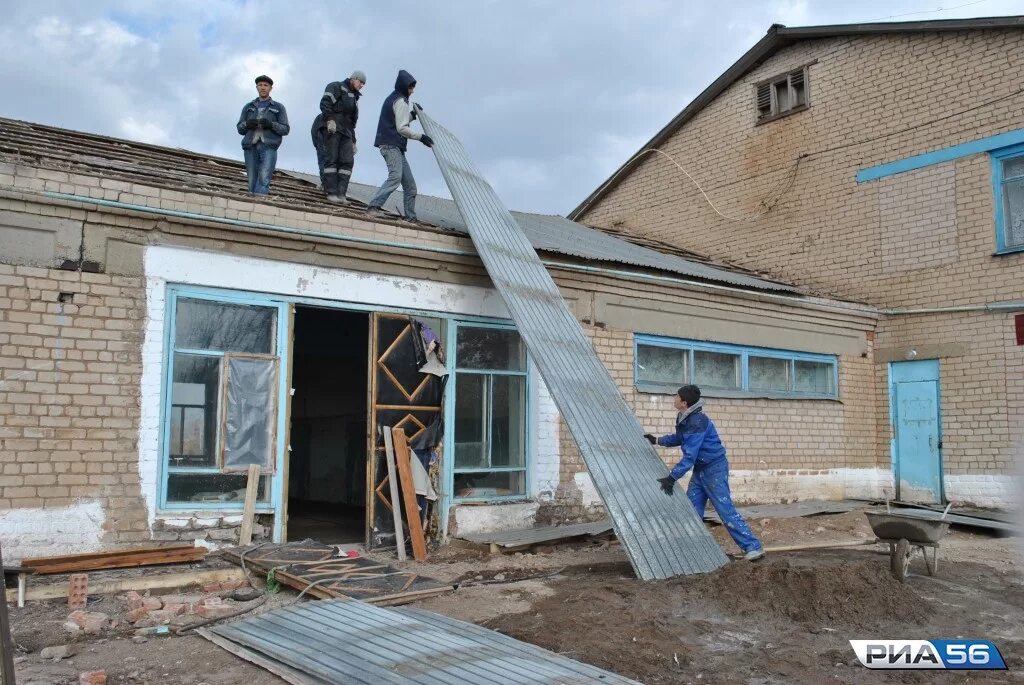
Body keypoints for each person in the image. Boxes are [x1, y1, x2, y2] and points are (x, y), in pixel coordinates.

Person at [644, 384, 765, 561]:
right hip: (701, 469)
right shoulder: (685, 417)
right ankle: (695, 550)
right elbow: (680, 438)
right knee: (692, 509)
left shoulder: (697, 421)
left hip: (714, 468)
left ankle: (753, 547)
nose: (674, 399)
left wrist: (671, 478)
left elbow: (690, 455)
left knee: (724, 509)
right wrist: (657, 440)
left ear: (684, 402)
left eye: (677, 397)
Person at [366, 70, 434, 222]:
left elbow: (398, 120)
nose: (412, 91)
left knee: (410, 186)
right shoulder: (401, 101)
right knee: (395, 177)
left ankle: (411, 217)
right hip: (391, 146)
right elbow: (401, 128)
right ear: (404, 86)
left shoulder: (394, 98)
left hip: (394, 147)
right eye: (411, 87)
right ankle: (374, 207)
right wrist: (421, 137)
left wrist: (412, 116)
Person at [236, 75, 290, 195]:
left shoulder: (278, 107)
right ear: (256, 87)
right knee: (251, 178)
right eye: (260, 85)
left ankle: (260, 203)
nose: (263, 87)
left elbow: (285, 129)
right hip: (250, 146)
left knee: (264, 177)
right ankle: (251, 203)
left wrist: (271, 125)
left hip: (268, 146)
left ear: (271, 88)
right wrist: (247, 124)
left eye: (266, 85)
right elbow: (240, 128)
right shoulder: (248, 107)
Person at [318, 70, 366, 204]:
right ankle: (331, 192)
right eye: (360, 82)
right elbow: (325, 103)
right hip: (333, 128)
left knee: (347, 162)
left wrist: (353, 141)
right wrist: (329, 120)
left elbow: (351, 122)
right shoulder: (336, 86)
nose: (362, 85)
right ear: (353, 79)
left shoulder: (354, 98)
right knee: (331, 159)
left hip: (346, 131)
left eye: (363, 83)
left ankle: (341, 194)